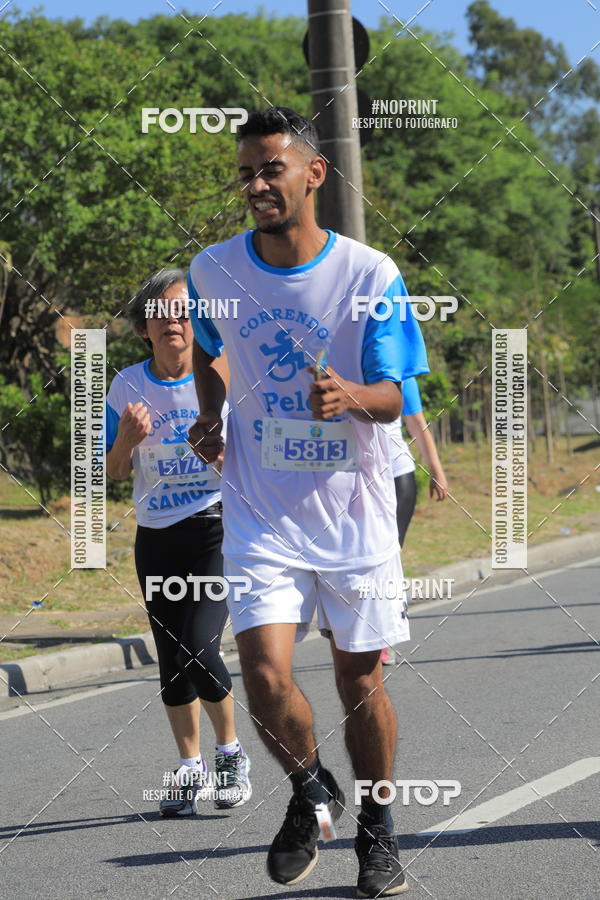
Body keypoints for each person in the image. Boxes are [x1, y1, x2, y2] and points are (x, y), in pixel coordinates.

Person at [188, 107, 428, 897]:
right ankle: (308, 789)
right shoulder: (213, 271)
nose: (256, 185)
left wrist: (351, 395)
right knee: (261, 672)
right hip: (260, 503)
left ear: (313, 173)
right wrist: (211, 417)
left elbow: (397, 397)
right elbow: (211, 352)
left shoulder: (370, 273)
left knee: (361, 681)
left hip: (353, 507)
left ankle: (378, 828)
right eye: (246, 173)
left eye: (271, 170)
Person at [105, 269, 251, 817]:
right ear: (145, 326)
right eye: (162, 313)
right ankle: (189, 769)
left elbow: (253, 457)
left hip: (215, 528)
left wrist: (221, 458)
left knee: (197, 641)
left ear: (199, 324)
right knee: (171, 661)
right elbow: (115, 471)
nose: (174, 322)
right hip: (156, 538)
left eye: (184, 312)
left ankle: (231, 754)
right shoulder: (126, 386)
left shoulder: (220, 377)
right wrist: (125, 439)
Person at [382, 377, 448, 664]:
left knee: (388, 554)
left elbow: (416, 423)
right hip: (355, 479)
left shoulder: (397, 371)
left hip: (398, 476)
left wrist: (435, 468)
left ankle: (385, 635)